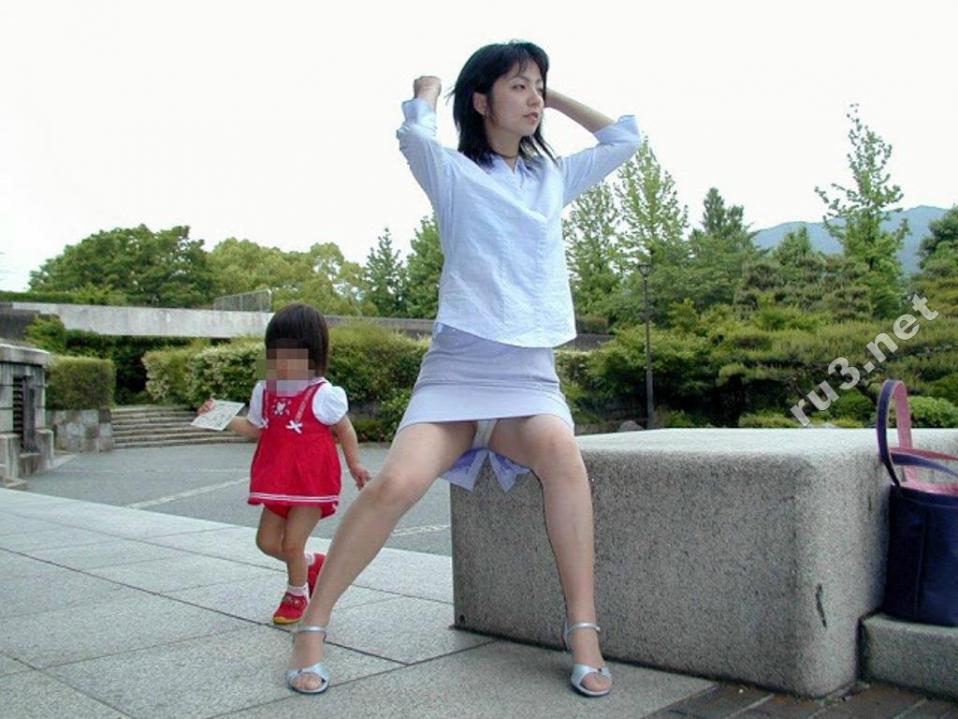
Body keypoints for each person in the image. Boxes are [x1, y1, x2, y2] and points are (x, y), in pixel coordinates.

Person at [286, 40, 641, 697]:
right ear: (481, 101)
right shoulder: (453, 173)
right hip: (457, 374)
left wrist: (551, 95)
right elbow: (413, 136)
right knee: (395, 483)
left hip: (528, 380)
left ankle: (583, 629)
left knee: (563, 456)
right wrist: (426, 91)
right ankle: (313, 622)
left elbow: (624, 139)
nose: (533, 98)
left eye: (538, 86)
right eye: (518, 87)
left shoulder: (551, 177)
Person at [199, 303, 370, 625]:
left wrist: (355, 465)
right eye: (275, 352)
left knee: (291, 543)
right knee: (266, 542)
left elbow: (345, 429)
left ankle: (297, 595)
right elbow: (255, 428)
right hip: (277, 480)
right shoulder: (265, 390)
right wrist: (221, 418)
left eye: (292, 353)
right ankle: (312, 563)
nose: (281, 361)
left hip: (311, 482)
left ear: (312, 355)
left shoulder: (324, 393)